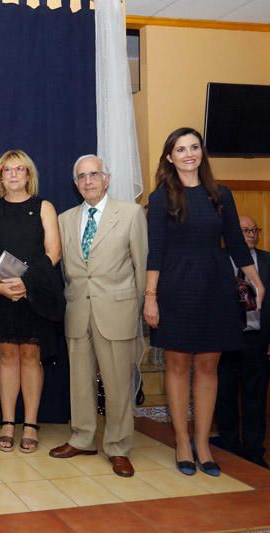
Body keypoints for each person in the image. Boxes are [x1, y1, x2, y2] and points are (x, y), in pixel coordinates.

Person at [144, 127, 266, 477]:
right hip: (175, 286)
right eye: (180, 149)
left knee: (209, 367)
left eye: (193, 147)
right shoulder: (160, 198)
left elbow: (238, 246)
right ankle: (182, 441)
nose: (188, 154)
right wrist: (150, 297)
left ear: (201, 153)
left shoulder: (221, 195)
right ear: (170, 157)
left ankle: (203, 443)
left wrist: (256, 281)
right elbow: (156, 251)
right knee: (179, 366)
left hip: (216, 286)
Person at [49, 155, 147, 478]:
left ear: (106, 179)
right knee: (79, 381)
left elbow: (141, 266)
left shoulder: (131, 214)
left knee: (118, 383)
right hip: (77, 309)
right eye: (81, 177)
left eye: (94, 175)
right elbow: (64, 270)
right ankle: (83, 437)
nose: (88, 181)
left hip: (117, 310)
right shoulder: (65, 220)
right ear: (75, 184)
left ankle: (118, 447)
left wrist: (144, 307)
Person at [0, 150, 61, 454]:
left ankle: (31, 424)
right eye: (7, 170)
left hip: (34, 292)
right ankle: (8, 422)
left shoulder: (44, 207)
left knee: (30, 356)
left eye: (19, 169)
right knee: (7, 356)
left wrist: (26, 283)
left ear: (29, 175)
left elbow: (54, 252)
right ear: (0, 176)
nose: (13, 174)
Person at [215, 215, 270, 468]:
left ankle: (254, 451)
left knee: (255, 398)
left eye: (254, 230)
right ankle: (228, 447)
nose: (251, 234)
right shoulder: (218, 259)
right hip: (225, 339)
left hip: (257, 340)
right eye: (245, 230)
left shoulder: (268, 261)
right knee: (225, 396)